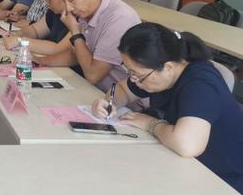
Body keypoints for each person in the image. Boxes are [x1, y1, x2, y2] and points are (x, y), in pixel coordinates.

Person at [92, 23, 243, 192]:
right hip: (185, 164)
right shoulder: (156, 72)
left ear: (168, 67)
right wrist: (109, 102)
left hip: (224, 178)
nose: (134, 80)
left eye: (138, 75)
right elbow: (122, 89)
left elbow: (187, 145)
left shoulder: (201, 84)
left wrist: (150, 124)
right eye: (130, 72)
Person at [38, 0, 140, 91]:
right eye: (64, 1)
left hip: (120, 99)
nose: (68, 8)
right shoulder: (87, 11)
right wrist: (40, 61)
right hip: (97, 91)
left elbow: (93, 75)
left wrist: (75, 32)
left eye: (71, 0)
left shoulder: (119, 18)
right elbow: (77, 55)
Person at [3, 0, 70, 54]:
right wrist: (18, 34)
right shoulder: (53, 12)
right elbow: (35, 30)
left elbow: (58, 49)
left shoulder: (76, 18)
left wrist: (20, 41)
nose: (46, 2)